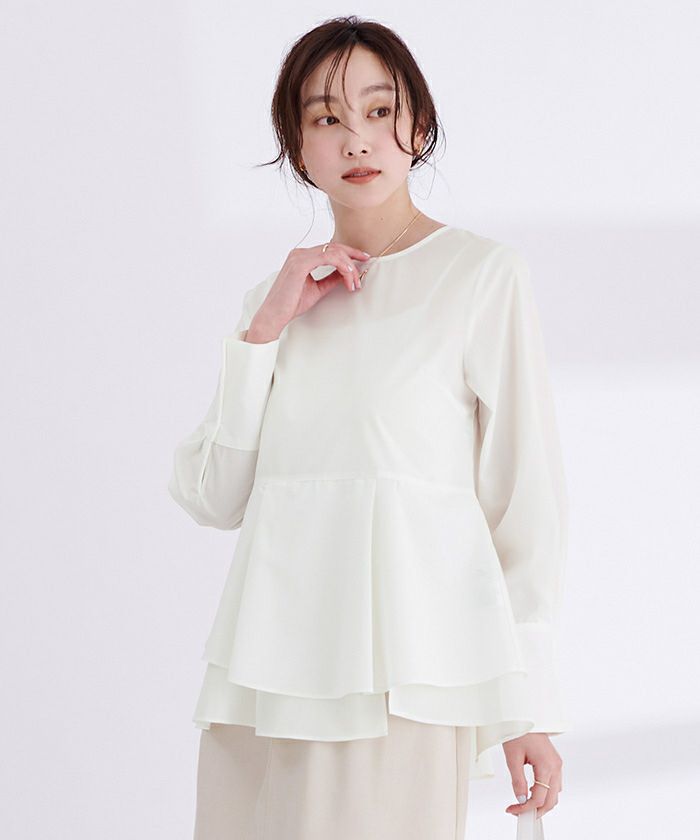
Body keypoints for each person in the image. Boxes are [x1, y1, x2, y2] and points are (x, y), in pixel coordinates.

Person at [168, 15, 567, 840]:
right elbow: (214, 496)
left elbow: (523, 499)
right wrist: (265, 330)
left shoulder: (479, 275)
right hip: (261, 683)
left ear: (418, 125)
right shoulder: (274, 302)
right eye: (326, 117)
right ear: (297, 147)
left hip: (402, 680)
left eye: (380, 111)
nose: (357, 138)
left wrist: (528, 705)